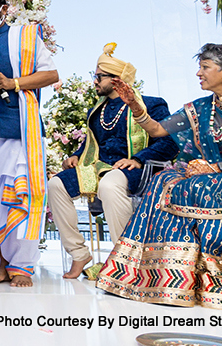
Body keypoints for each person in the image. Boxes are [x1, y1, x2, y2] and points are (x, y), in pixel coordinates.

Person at [95, 43, 222, 313]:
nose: (198, 73)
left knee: (201, 187)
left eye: (205, 67)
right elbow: (157, 129)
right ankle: (167, 275)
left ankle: (220, 272)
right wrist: (135, 105)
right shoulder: (200, 107)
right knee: (166, 181)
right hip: (210, 171)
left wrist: (217, 168)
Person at [48, 43, 177, 279]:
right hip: (97, 167)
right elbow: (91, 143)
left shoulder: (152, 103)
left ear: (117, 80)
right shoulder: (96, 110)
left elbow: (169, 143)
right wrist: (76, 155)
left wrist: (139, 158)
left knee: (110, 184)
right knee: (56, 185)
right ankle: (79, 254)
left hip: (136, 169)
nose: (94, 82)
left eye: (99, 77)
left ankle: (126, 259)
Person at [0, 0, 59, 287]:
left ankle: (21, 264)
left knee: (21, 194)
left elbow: (51, 74)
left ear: (3, 9)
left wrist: (14, 82)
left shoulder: (25, 35)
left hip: (19, 131)